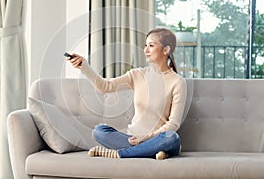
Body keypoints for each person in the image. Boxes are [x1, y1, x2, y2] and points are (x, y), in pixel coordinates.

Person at [66, 28, 187, 160]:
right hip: (132, 139)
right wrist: (84, 66)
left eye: (151, 46)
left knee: (171, 138)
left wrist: (146, 138)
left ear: (166, 50)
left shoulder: (177, 82)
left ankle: (120, 153)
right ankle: (152, 151)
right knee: (99, 131)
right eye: (145, 45)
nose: (146, 50)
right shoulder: (137, 75)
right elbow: (105, 86)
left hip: (158, 138)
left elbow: (173, 124)